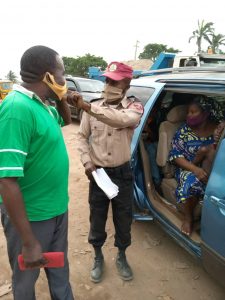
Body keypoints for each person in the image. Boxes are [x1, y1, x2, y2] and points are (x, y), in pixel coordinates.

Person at [0, 46, 74, 300]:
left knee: (60, 272)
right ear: (48, 76)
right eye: (62, 73)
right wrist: (29, 241)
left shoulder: (42, 105)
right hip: (31, 218)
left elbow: (67, 121)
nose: (65, 78)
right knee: (25, 282)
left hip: (56, 210)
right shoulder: (16, 109)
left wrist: (63, 96)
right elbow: (6, 179)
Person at [67, 62, 143, 283]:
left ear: (127, 83)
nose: (108, 84)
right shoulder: (92, 105)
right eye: (107, 79)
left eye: (114, 80)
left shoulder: (133, 108)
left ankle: (121, 255)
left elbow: (119, 119)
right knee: (97, 217)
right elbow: (81, 137)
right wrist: (87, 162)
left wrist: (88, 108)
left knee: (123, 218)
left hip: (122, 174)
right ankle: (98, 256)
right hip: (98, 174)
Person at [169, 95, 223, 236]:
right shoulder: (183, 131)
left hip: (212, 165)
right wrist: (196, 169)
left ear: (205, 114)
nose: (189, 115)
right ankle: (189, 217)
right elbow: (176, 156)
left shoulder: (218, 130)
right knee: (192, 183)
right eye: (188, 112)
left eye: (193, 112)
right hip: (187, 166)